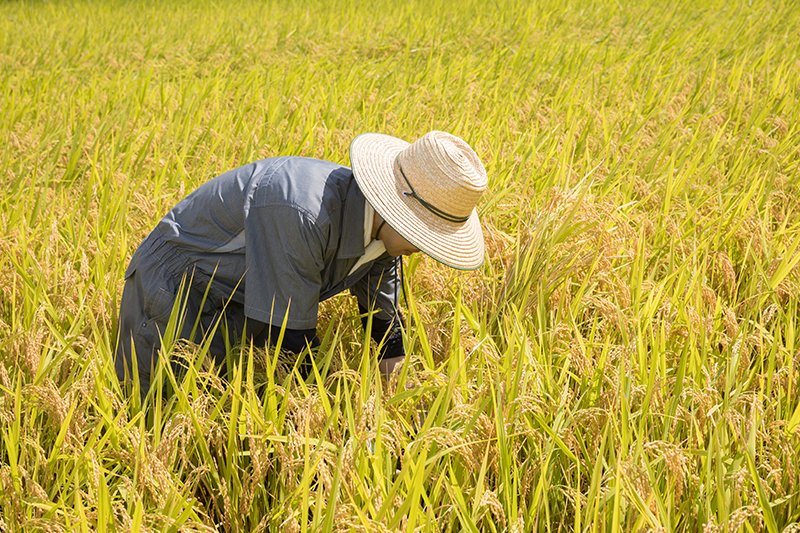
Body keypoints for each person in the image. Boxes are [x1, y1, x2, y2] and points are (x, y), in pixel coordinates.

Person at [114, 130, 488, 397]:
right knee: (159, 408)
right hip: (180, 284)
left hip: (243, 295)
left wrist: (406, 397)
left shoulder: (385, 239)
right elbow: (291, 338)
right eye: (423, 236)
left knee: (225, 395)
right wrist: (329, 411)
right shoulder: (301, 212)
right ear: (396, 210)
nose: (421, 249)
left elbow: (384, 322)